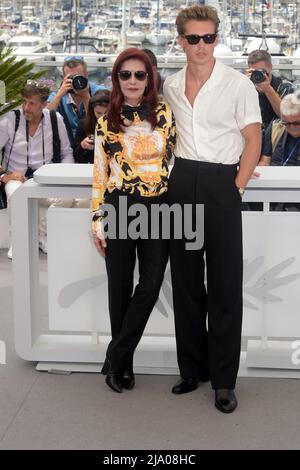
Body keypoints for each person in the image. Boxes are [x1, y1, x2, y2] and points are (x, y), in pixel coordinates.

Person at [163, 4, 261, 413]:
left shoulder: (238, 85)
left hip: (223, 184)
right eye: (193, 38)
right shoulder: (168, 85)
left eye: (208, 37)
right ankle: (192, 370)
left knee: (224, 286)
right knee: (185, 284)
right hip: (181, 181)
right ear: (181, 40)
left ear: (216, 39)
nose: (201, 46)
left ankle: (223, 380)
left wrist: (236, 187)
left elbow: (254, 140)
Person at [92, 48, 176, 393]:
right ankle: (123, 368)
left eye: (139, 74)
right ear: (117, 79)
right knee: (119, 288)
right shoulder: (105, 121)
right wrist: (97, 217)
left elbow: (186, 152)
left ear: (149, 78)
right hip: (119, 206)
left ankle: (115, 354)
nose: (132, 81)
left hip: (159, 207)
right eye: (125, 74)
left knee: (151, 283)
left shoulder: (164, 113)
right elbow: (99, 172)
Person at [0, 81, 74, 259]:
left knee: (67, 198)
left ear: (43, 104)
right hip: (16, 177)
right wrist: (4, 175)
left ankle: (41, 235)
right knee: (16, 194)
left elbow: (66, 152)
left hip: (45, 177)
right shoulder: (10, 120)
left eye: (32, 103)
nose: (26, 107)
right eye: (24, 101)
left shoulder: (55, 120)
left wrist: (64, 177)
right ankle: (18, 241)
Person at [47, 56, 106, 147]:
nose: (75, 81)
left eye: (78, 77)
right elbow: (44, 117)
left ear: (86, 75)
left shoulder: (99, 92)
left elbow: (99, 122)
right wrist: (60, 94)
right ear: (64, 78)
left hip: (94, 145)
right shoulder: (59, 95)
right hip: (66, 147)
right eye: (70, 77)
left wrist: (86, 96)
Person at [259, 91, 300, 210]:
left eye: (296, 123)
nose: (291, 127)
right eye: (286, 123)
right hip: (273, 193)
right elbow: (265, 161)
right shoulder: (275, 128)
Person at [247, 49, 295, 130]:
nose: (258, 76)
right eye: (254, 72)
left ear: (270, 67)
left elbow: (286, 115)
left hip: (277, 138)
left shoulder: (285, 87)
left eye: (262, 71)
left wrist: (268, 89)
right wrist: (246, 86)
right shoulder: (246, 87)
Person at [74, 89, 110, 164]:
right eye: (99, 113)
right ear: (92, 110)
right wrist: (82, 146)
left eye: (107, 113)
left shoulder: (120, 125)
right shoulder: (83, 124)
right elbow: (76, 157)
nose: (103, 117)